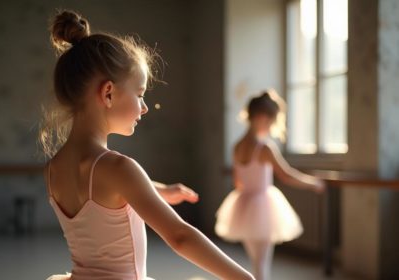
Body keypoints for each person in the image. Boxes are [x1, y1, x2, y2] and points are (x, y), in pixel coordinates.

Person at [41, 10, 254, 280]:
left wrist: (161, 190)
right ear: (108, 93)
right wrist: (244, 278)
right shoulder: (119, 167)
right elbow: (179, 236)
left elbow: (107, 196)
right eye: (140, 94)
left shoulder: (54, 169)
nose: (143, 108)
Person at [215, 89, 325, 280]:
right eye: (272, 120)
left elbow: (237, 181)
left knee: (256, 261)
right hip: (262, 205)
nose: (273, 125)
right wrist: (313, 183)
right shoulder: (264, 147)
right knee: (262, 263)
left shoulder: (237, 146)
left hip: (244, 204)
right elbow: (287, 175)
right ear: (261, 117)